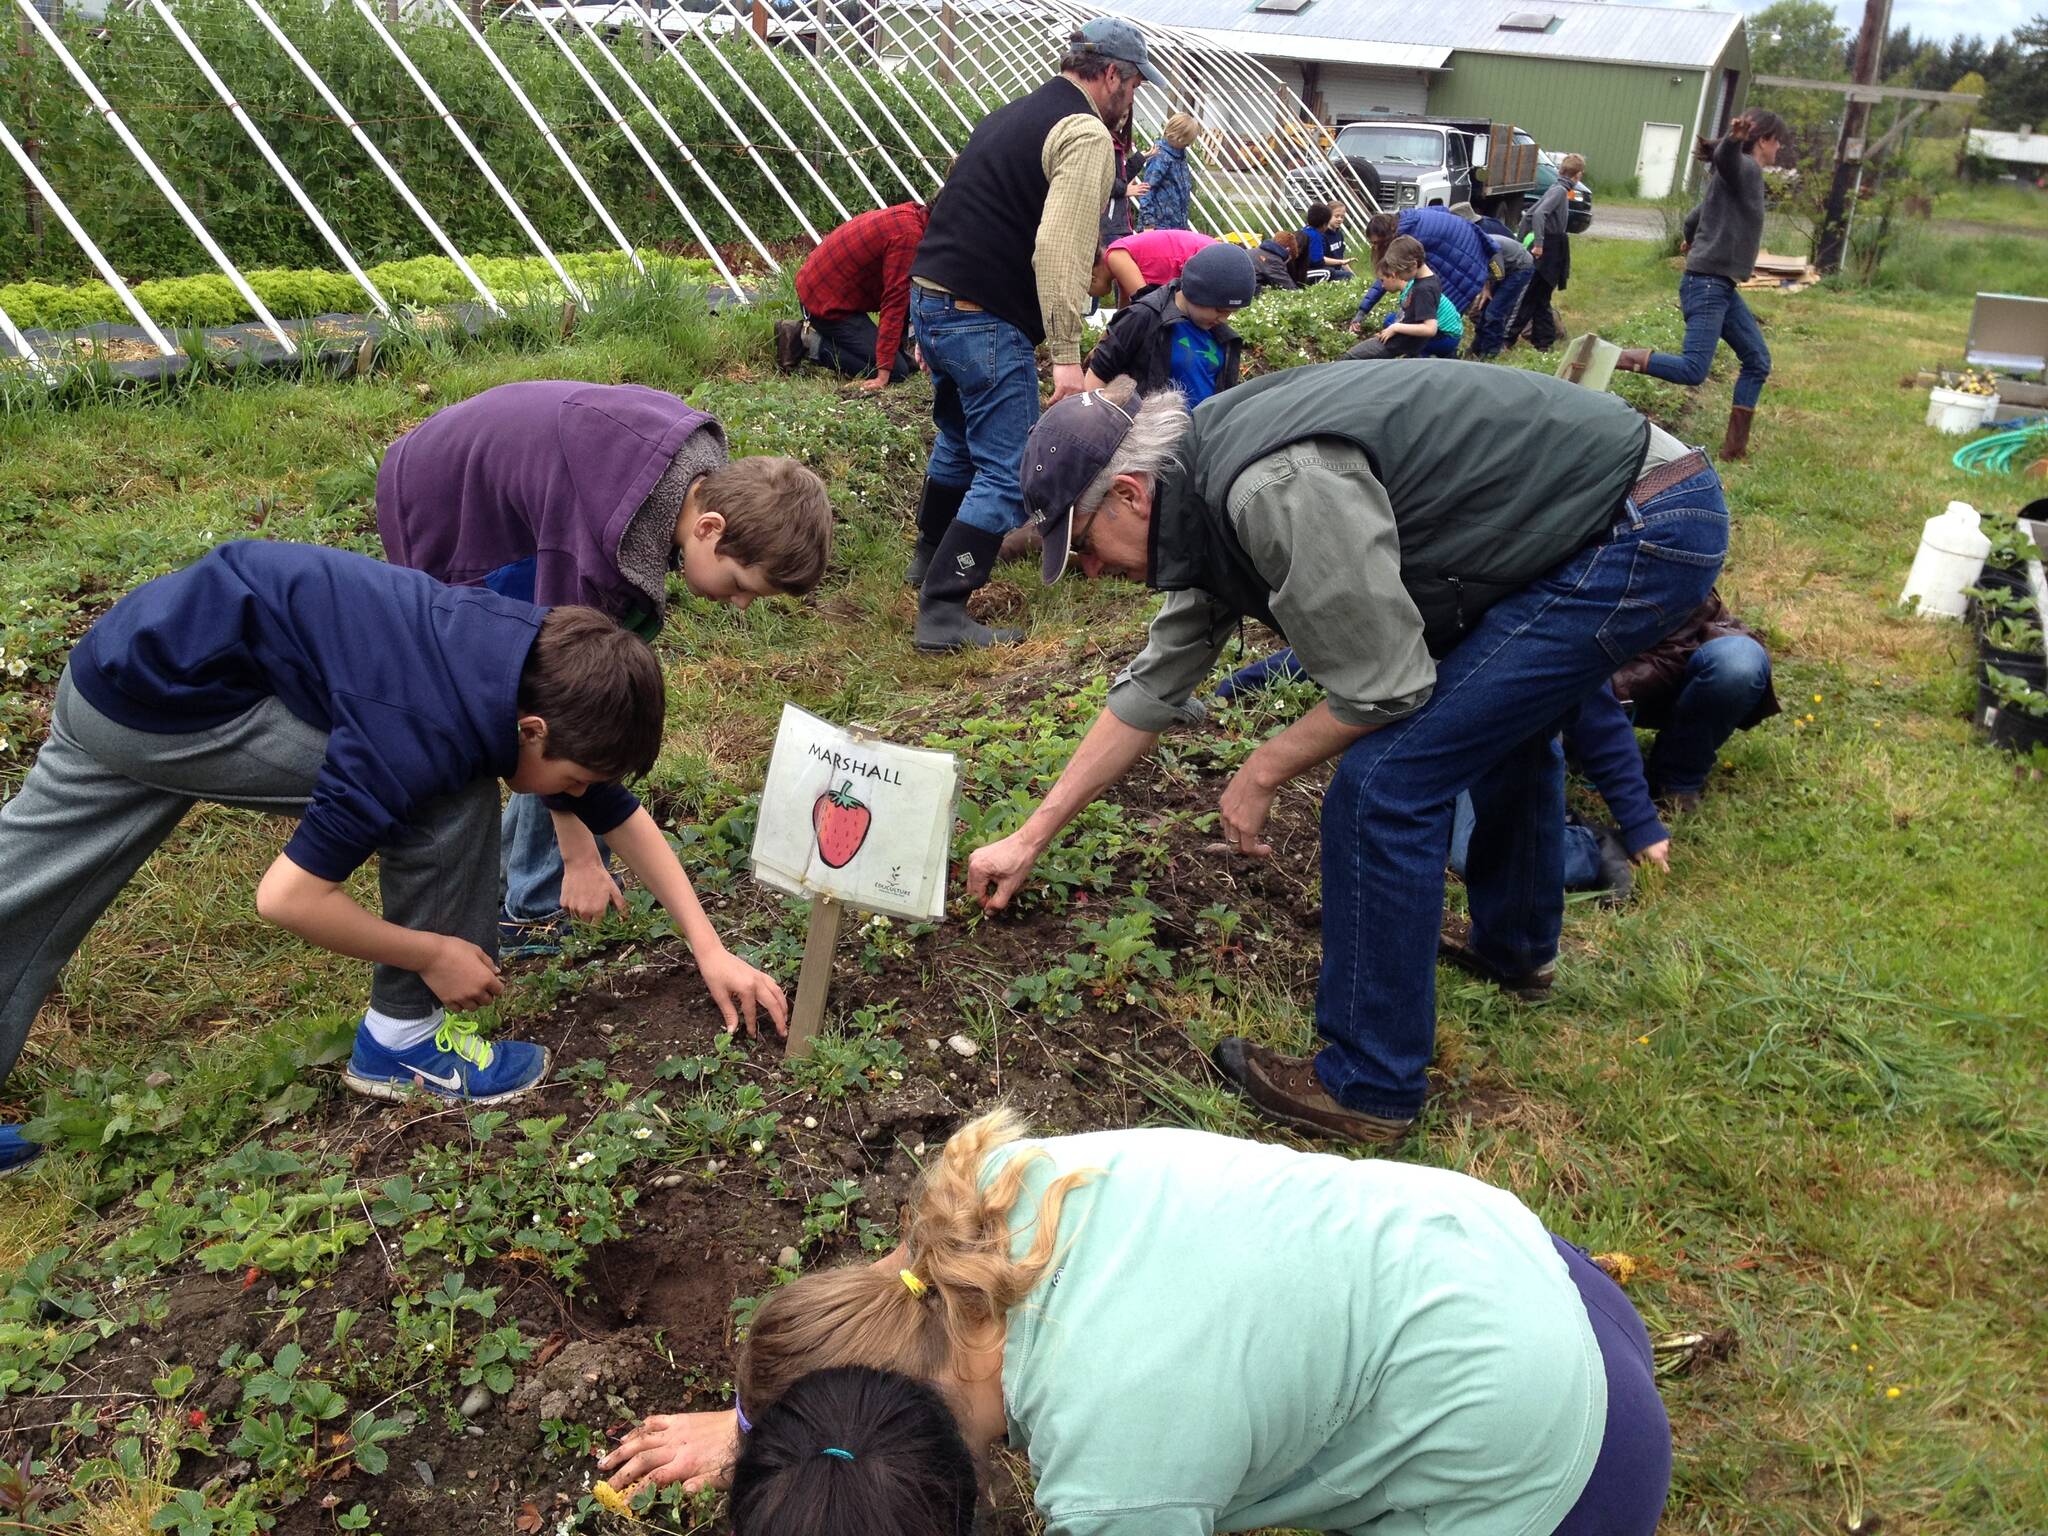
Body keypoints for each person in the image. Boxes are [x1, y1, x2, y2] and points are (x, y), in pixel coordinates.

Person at [967, 364, 1727, 1144]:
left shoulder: (1271, 490)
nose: (1092, 573)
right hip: (1617, 506)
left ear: (1129, 493)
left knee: (1384, 787)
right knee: (1502, 725)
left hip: (1639, 527)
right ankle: (1516, 951)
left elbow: (1386, 686)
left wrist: (1262, 770)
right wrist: (1031, 834)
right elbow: (1153, 688)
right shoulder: (1194, 486)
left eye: (1086, 547)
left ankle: (1368, 1085)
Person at [0, 543, 792, 1170]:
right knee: (450, 798)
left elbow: (614, 809)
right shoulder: (415, 733)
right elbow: (286, 898)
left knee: (21, 884)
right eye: (572, 780)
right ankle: (402, 1041)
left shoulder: (530, 654)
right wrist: (435, 951)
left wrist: (709, 948)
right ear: (535, 731)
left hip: (129, 659)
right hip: (169, 705)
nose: (573, 796)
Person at [602, 1113, 1674, 1536]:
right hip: (1516, 1260)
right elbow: (853, 1345)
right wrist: (755, 1419)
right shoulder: (995, 1199)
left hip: (1565, 1453)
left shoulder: (1117, 1470)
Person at [376, 381, 832, 951]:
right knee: (544, 697)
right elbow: (555, 696)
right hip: (446, 510)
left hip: (492, 479)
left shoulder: (684, 478)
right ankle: (535, 904)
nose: (740, 604)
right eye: (741, 586)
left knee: (587, 699)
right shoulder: (591, 551)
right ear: (709, 527)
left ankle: (509, 875)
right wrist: (578, 847)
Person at [904, 16, 1166, 653]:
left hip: (935, 297)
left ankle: (928, 562)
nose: (1131, 102)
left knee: (960, 443)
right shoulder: (1085, 133)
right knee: (1006, 470)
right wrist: (1067, 357)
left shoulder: (1014, 114)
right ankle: (943, 611)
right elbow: (1055, 249)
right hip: (985, 316)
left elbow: (961, 211)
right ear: (1112, 75)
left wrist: (930, 319)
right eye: (1133, 87)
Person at [1613, 112, 1787, 462]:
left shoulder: (1734, 177)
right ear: (1765, 139)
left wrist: (1691, 240)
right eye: (1778, 140)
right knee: (1694, 370)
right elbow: (1725, 157)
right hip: (1708, 284)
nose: (1780, 147)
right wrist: (1734, 140)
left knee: (1757, 359)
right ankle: (1615, 356)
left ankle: (1734, 450)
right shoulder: (1744, 168)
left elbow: (1695, 216)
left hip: (1717, 284)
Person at [1611, 591, 1779, 809]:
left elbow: (1678, 647)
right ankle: (1577, 747)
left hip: (1682, 658)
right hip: (1594, 670)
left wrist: (1609, 688)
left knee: (1737, 664)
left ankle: (1677, 774)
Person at [781, 199, 930, 389]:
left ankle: (896, 353)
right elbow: (894, 303)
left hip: (827, 288)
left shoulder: (913, 213)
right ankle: (804, 339)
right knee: (897, 372)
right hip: (826, 305)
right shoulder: (909, 238)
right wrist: (883, 373)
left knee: (902, 361)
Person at [1081, 241, 1253, 401]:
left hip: (1202, 430)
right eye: (1219, 310)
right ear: (1195, 292)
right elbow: (1098, 374)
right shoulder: (1143, 317)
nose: (1223, 319)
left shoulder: (1219, 335)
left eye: (1230, 313)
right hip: (1152, 429)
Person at [1349, 207, 1494, 329]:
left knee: (1441, 314)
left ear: (1386, 236)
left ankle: (1451, 347)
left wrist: (1362, 312)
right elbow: (1442, 209)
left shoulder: (1409, 239)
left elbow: (1386, 275)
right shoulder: (1406, 219)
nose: (1374, 247)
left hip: (1464, 257)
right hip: (1463, 243)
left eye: (1376, 243)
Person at [1341, 236, 1461, 360]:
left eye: (1399, 271)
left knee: (1350, 358)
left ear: (1413, 264)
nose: (1397, 275)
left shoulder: (1424, 289)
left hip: (1401, 344)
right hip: (1406, 341)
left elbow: (1430, 329)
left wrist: (1395, 327)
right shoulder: (1429, 279)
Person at [1509, 152, 1583, 352]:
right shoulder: (1559, 191)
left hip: (1553, 246)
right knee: (1533, 295)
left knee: (1541, 297)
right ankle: (1507, 339)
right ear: (1577, 176)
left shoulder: (1555, 188)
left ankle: (1544, 343)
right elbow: (1539, 215)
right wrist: (1539, 244)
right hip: (1550, 248)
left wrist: (1520, 242)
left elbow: (1529, 215)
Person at [1452, 203, 1535, 359]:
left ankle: (1490, 352)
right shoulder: (1475, 241)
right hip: (1504, 269)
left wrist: (1485, 285)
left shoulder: (1488, 244)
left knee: (1494, 312)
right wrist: (1485, 287)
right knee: (1484, 311)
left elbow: (1498, 272)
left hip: (1519, 269)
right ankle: (1476, 349)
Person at [1095, 227, 1216, 307]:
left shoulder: (1115, 257)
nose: (1091, 295)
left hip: (1206, 259)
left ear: (1092, 278)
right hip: (1209, 255)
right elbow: (1124, 314)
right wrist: (1101, 345)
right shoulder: (1117, 256)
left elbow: (1145, 306)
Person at [1136, 112, 1199, 231]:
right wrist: (1148, 222)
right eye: (1187, 142)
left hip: (1177, 225)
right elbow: (1147, 190)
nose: (1188, 146)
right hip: (1158, 226)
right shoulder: (1160, 157)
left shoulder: (1180, 158)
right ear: (1179, 138)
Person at [1298, 201, 1335, 281]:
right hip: (1303, 272)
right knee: (1333, 273)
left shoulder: (1304, 230)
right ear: (1325, 225)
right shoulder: (1316, 236)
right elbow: (1317, 261)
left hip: (1299, 269)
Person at [1320, 198, 1354, 279]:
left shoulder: (1339, 234)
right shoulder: (1322, 235)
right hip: (1325, 270)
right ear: (1328, 216)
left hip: (1338, 268)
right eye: (1336, 216)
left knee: (1351, 276)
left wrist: (1354, 276)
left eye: (1342, 217)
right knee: (1347, 276)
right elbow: (1321, 259)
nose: (1339, 219)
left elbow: (1342, 260)